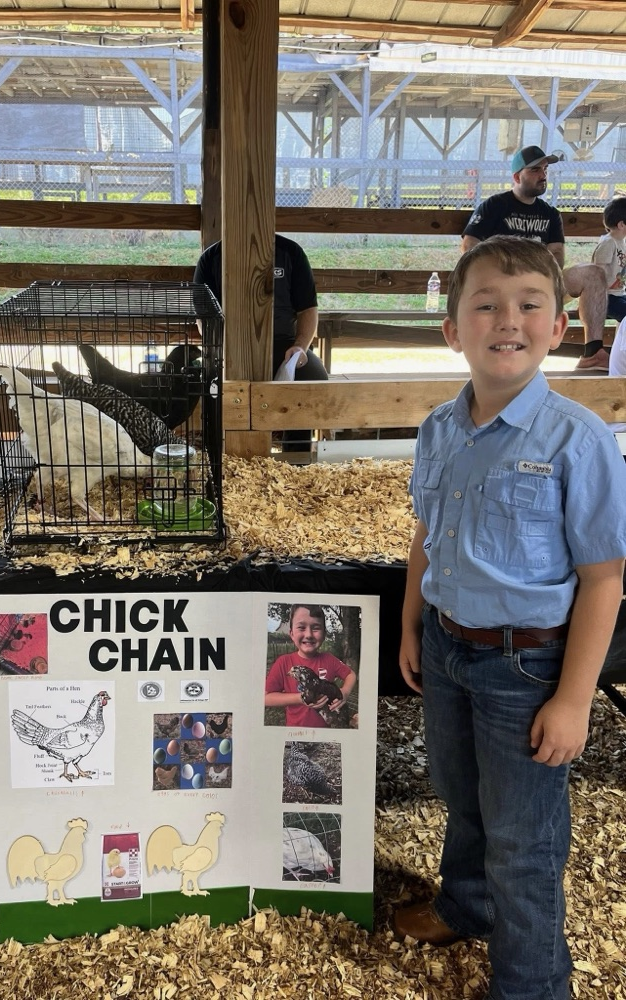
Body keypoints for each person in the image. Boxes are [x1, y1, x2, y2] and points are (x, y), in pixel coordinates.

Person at [395, 235, 626, 1000]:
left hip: (525, 669)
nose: (508, 320)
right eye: (485, 305)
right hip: (448, 646)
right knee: (462, 798)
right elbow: (425, 534)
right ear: (451, 329)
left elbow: (603, 580)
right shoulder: (438, 429)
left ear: (559, 327)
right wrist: (410, 623)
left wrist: (572, 700)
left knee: (524, 839)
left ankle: (532, 982)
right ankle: (466, 905)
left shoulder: (579, 441)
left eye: (530, 305)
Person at [462, 145, 610, 371]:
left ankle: (593, 354)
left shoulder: (550, 213)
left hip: (543, 282)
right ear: (516, 176)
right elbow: (469, 244)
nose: (542, 175)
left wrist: (542, 276)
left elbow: (557, 252)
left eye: (545, 169)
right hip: (503, 284)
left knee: (593, 273)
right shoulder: (495, 205)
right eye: (534, 170)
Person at [193, 233, 329, 450]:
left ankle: (297, 457)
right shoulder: (212, 258)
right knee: (208, 383)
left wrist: (300, 347)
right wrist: (220, 347)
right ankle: (222, 455)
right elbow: (203, 316)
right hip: (231, 347)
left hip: (284, 345)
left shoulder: (290, 252)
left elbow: (308, 308)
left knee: (313, 376)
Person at [264, 604, 356, 727]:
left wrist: (344, 692)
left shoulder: (329, 659)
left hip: (328, 731)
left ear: (324, 634)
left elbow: (351, 674)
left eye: (316, 628)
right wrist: (301, 698)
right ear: (291, 634)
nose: (308, 634)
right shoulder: (283, 662)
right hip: (296, 732)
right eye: (301, 627)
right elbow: (266, 698)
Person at [592, 196, 626, 322]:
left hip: (619, 293)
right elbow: (598, 272)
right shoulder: (608, 243)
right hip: (607, 297)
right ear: (621, 224)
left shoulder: (621, 241)